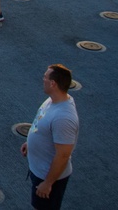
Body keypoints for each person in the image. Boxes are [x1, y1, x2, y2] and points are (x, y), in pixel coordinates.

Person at [21, 64, 79, 209]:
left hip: (48, 178)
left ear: (53, 83)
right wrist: (30, 143)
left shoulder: (64, 118)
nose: (43, 80)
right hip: (39, 171)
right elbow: (43, 124)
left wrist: (47, 183)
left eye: (45, 78)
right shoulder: (53, 100)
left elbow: (63, 155)